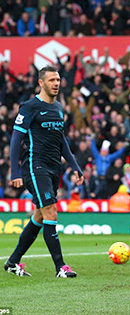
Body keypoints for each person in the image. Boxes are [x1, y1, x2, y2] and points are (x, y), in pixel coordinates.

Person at [5, 65, 84, 278]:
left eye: (58, 79)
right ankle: (61, 267)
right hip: (34, 165)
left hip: (53, 168)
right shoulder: (30, 107)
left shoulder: (58, 109)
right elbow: (15, 140)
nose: (56, 83)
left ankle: (12, 262)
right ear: (41, 83)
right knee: (51, 211)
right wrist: (15, 173)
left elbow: (62, 142)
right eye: (51, 80)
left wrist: (75, 166)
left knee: (40, 216)